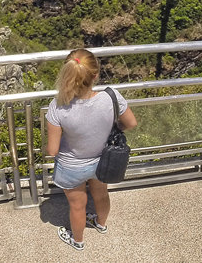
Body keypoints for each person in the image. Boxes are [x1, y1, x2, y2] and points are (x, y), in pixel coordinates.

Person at [45, 49, 137, 251]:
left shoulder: (58, 107)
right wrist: (112, 130)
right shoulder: (111, 97)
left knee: (77, 206)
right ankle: (101, 224)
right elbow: (130, 123)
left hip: (72, 167)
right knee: (101, 195)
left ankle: (77, 241)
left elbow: (52, 150)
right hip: (103, 160)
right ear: (95, 75)